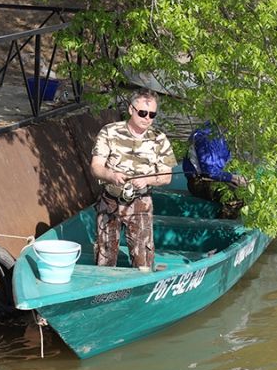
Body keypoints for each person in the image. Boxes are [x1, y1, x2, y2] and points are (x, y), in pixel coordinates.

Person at [90, 89, 177, 269]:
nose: (147, 118)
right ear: (131, 109)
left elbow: (166, 176)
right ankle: (103, 287)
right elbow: (96, 167)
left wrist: (148, 180)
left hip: (140, 202)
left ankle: (142, 285)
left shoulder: (159, 139)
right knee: (105, 255)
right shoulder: (109, 131)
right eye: (143, 113)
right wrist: (111, 175)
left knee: (142, 258)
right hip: (110, 200)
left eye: (152, 114)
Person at [182, 121, 247, 217]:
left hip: (214, 179)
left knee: (246, 190)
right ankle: (224, 226)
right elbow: (210, 172)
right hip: (199, 182)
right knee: (235, 197)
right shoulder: (206, 134)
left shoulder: (222, 133)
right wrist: (234, 178)